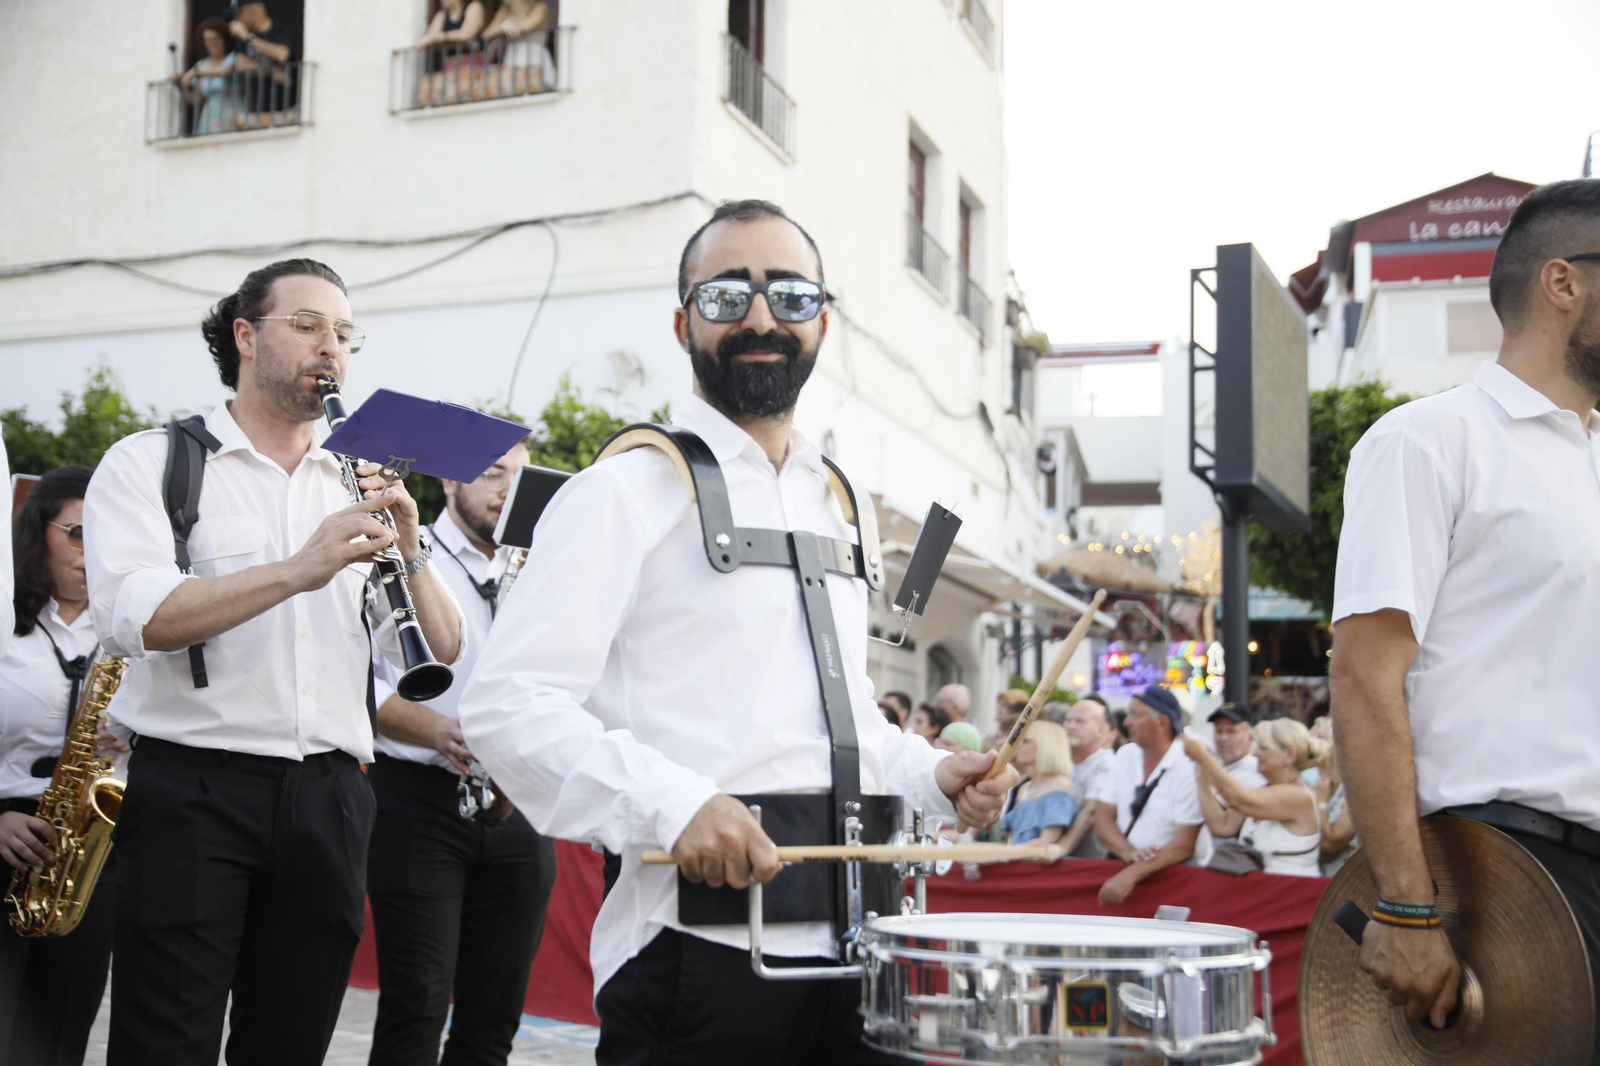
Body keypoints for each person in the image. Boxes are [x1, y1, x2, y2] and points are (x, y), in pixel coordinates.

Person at [457, 199, 1017, 1065]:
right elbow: (507, 706)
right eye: (728, 296)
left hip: (860, 956)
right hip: (696, 959)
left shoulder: (842, 499)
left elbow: (844, 718)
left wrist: (934, 774)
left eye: (789, 296)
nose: (761, 318)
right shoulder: (620, 491)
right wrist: (674, 803)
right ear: (684, 322)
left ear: (822, 320)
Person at [84, 258, 466, 1066]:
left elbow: (445, 649)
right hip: (193, 787)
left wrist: (411, 544)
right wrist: (302, 565)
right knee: (166, 1042)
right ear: (246, 336)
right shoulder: (151, 461)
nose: (331, 348)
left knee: (290, 1043)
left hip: (329, 794)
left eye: (344, 334)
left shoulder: (360, 474)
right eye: (308, 326)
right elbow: (134, 618)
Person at [1330, 178, 1600, 1036]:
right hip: (1504, 876)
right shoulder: (1428, 440)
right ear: (1564, 284)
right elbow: (1365, 678)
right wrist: (1406, 908)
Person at [365, 440, 558, 1066]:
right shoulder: (398, 554)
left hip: (519, 801)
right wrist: (440, 731)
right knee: (416, 1004)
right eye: (493, 473)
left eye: (522, 477)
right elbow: (357, 690)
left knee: (496, 1010)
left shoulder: (544, 567)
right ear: (449, 484)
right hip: (420, 803)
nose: (509, 489)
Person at [0, 466, 126, 1065]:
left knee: (59, 1038)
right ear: (35, 533)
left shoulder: (132, 635)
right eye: (77, 532)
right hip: (6, 830)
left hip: (84, 848)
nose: (91, 550)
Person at [1091, 686, 1202, 905]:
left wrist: (1131, 873)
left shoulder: (1188, 764)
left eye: (1135, 715)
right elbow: (1102, 815)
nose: (1126, 722)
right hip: (1129, 873)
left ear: (1161, 722)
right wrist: (1129, 853)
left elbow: (1184, 844)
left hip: (1172, 883)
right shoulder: (1125, 754)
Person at [1185, 719, 1324, 877]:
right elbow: (1222, 826)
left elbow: (1238, 800)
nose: (1254, 753)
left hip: (1293, 892)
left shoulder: (1299, 795)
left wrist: (1204, 757)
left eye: (1263, 748)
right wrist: (1201, 777)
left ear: (1289, 755)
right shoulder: (1263, 790)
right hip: (1266, 890)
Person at [1192, 702, 1268, 866]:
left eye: (1231, 731)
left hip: (1228, 865)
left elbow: (1220, 826)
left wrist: (1202, 770)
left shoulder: (1255, 770)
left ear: (1250, 737)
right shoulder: (1219, 766)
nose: (1223, 738)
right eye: (1219, 731)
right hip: (1208, 862)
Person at [1001, 720, 1080, 850]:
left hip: (1035, 867)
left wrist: (1001, 854)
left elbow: (1046, 842)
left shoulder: (1060, 788)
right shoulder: (1024, 788)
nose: (1019, 745)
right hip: (1014, 863)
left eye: (1026, 741)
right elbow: (1011, 837)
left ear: (1046, 745)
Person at [1061, 695, 1115, 858]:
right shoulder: (1062, 762)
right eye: (1067, 720)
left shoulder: (1107, 764)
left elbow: (1091, 811)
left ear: (1101, 729)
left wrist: (1061, 849)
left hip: (1088, 863)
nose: (1071, 726)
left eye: (1080, 721)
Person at [176, 18, 248, 135]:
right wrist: (178, 84)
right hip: (209, 121)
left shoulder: (233, 58)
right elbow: (196, 99)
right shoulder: (202, 64)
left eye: (216, 38)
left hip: (232, 117)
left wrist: (196, 73)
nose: (212, 43)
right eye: (208, 40)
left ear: (224, 39)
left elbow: (227, 70)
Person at [228, 2, 295, 120]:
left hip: (286, 108)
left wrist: (248, 37)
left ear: (253, 11)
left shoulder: (279, 30)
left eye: (239, 14)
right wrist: (272, 71)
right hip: (257, 109)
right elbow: (241, 65)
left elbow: (282, 54)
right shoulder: (244, 37)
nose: (236, 19)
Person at [482, 0, 553, 96]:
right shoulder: (504, 13)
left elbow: (527, 26)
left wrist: (506, 28)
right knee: (512, 93)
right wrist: (502, 27)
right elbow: (486, 34)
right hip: (512, 57)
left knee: (535, 92)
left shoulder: (540, 7)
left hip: (534, 55)